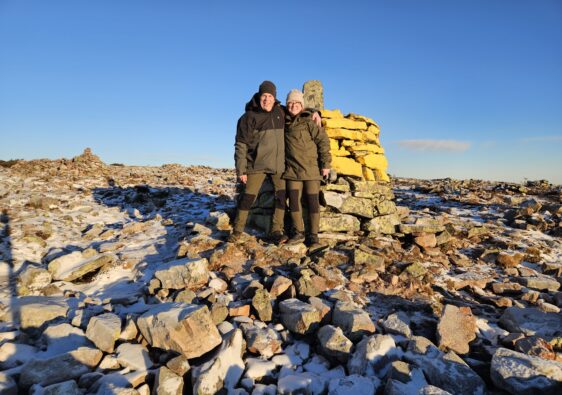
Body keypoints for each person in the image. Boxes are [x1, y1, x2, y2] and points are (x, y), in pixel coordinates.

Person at [229, 81, 288, 244]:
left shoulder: (280, 112)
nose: (267, 99)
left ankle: (276, 231)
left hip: (278, 165)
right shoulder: (248, 117)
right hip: (256, 165)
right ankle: (237, 230)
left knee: (281, 197)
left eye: (270, 96)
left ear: (274, 98)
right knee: (247, 197)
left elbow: (298, 111)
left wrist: (315, 112)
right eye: (264, 96)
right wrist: (241, 169)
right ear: (259, 96)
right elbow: (241, 145)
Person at [283, 89, 331, 246]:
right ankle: (298, 232)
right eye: (290, 103)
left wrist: (326, 165)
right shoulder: (282, 122)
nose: (293, 105)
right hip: (292, 171)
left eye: (297, 103)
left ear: (302, 105)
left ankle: (313, 235)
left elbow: (323, 141)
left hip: (311, 170)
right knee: (294, 203)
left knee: (313, 202)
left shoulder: (310, 122)